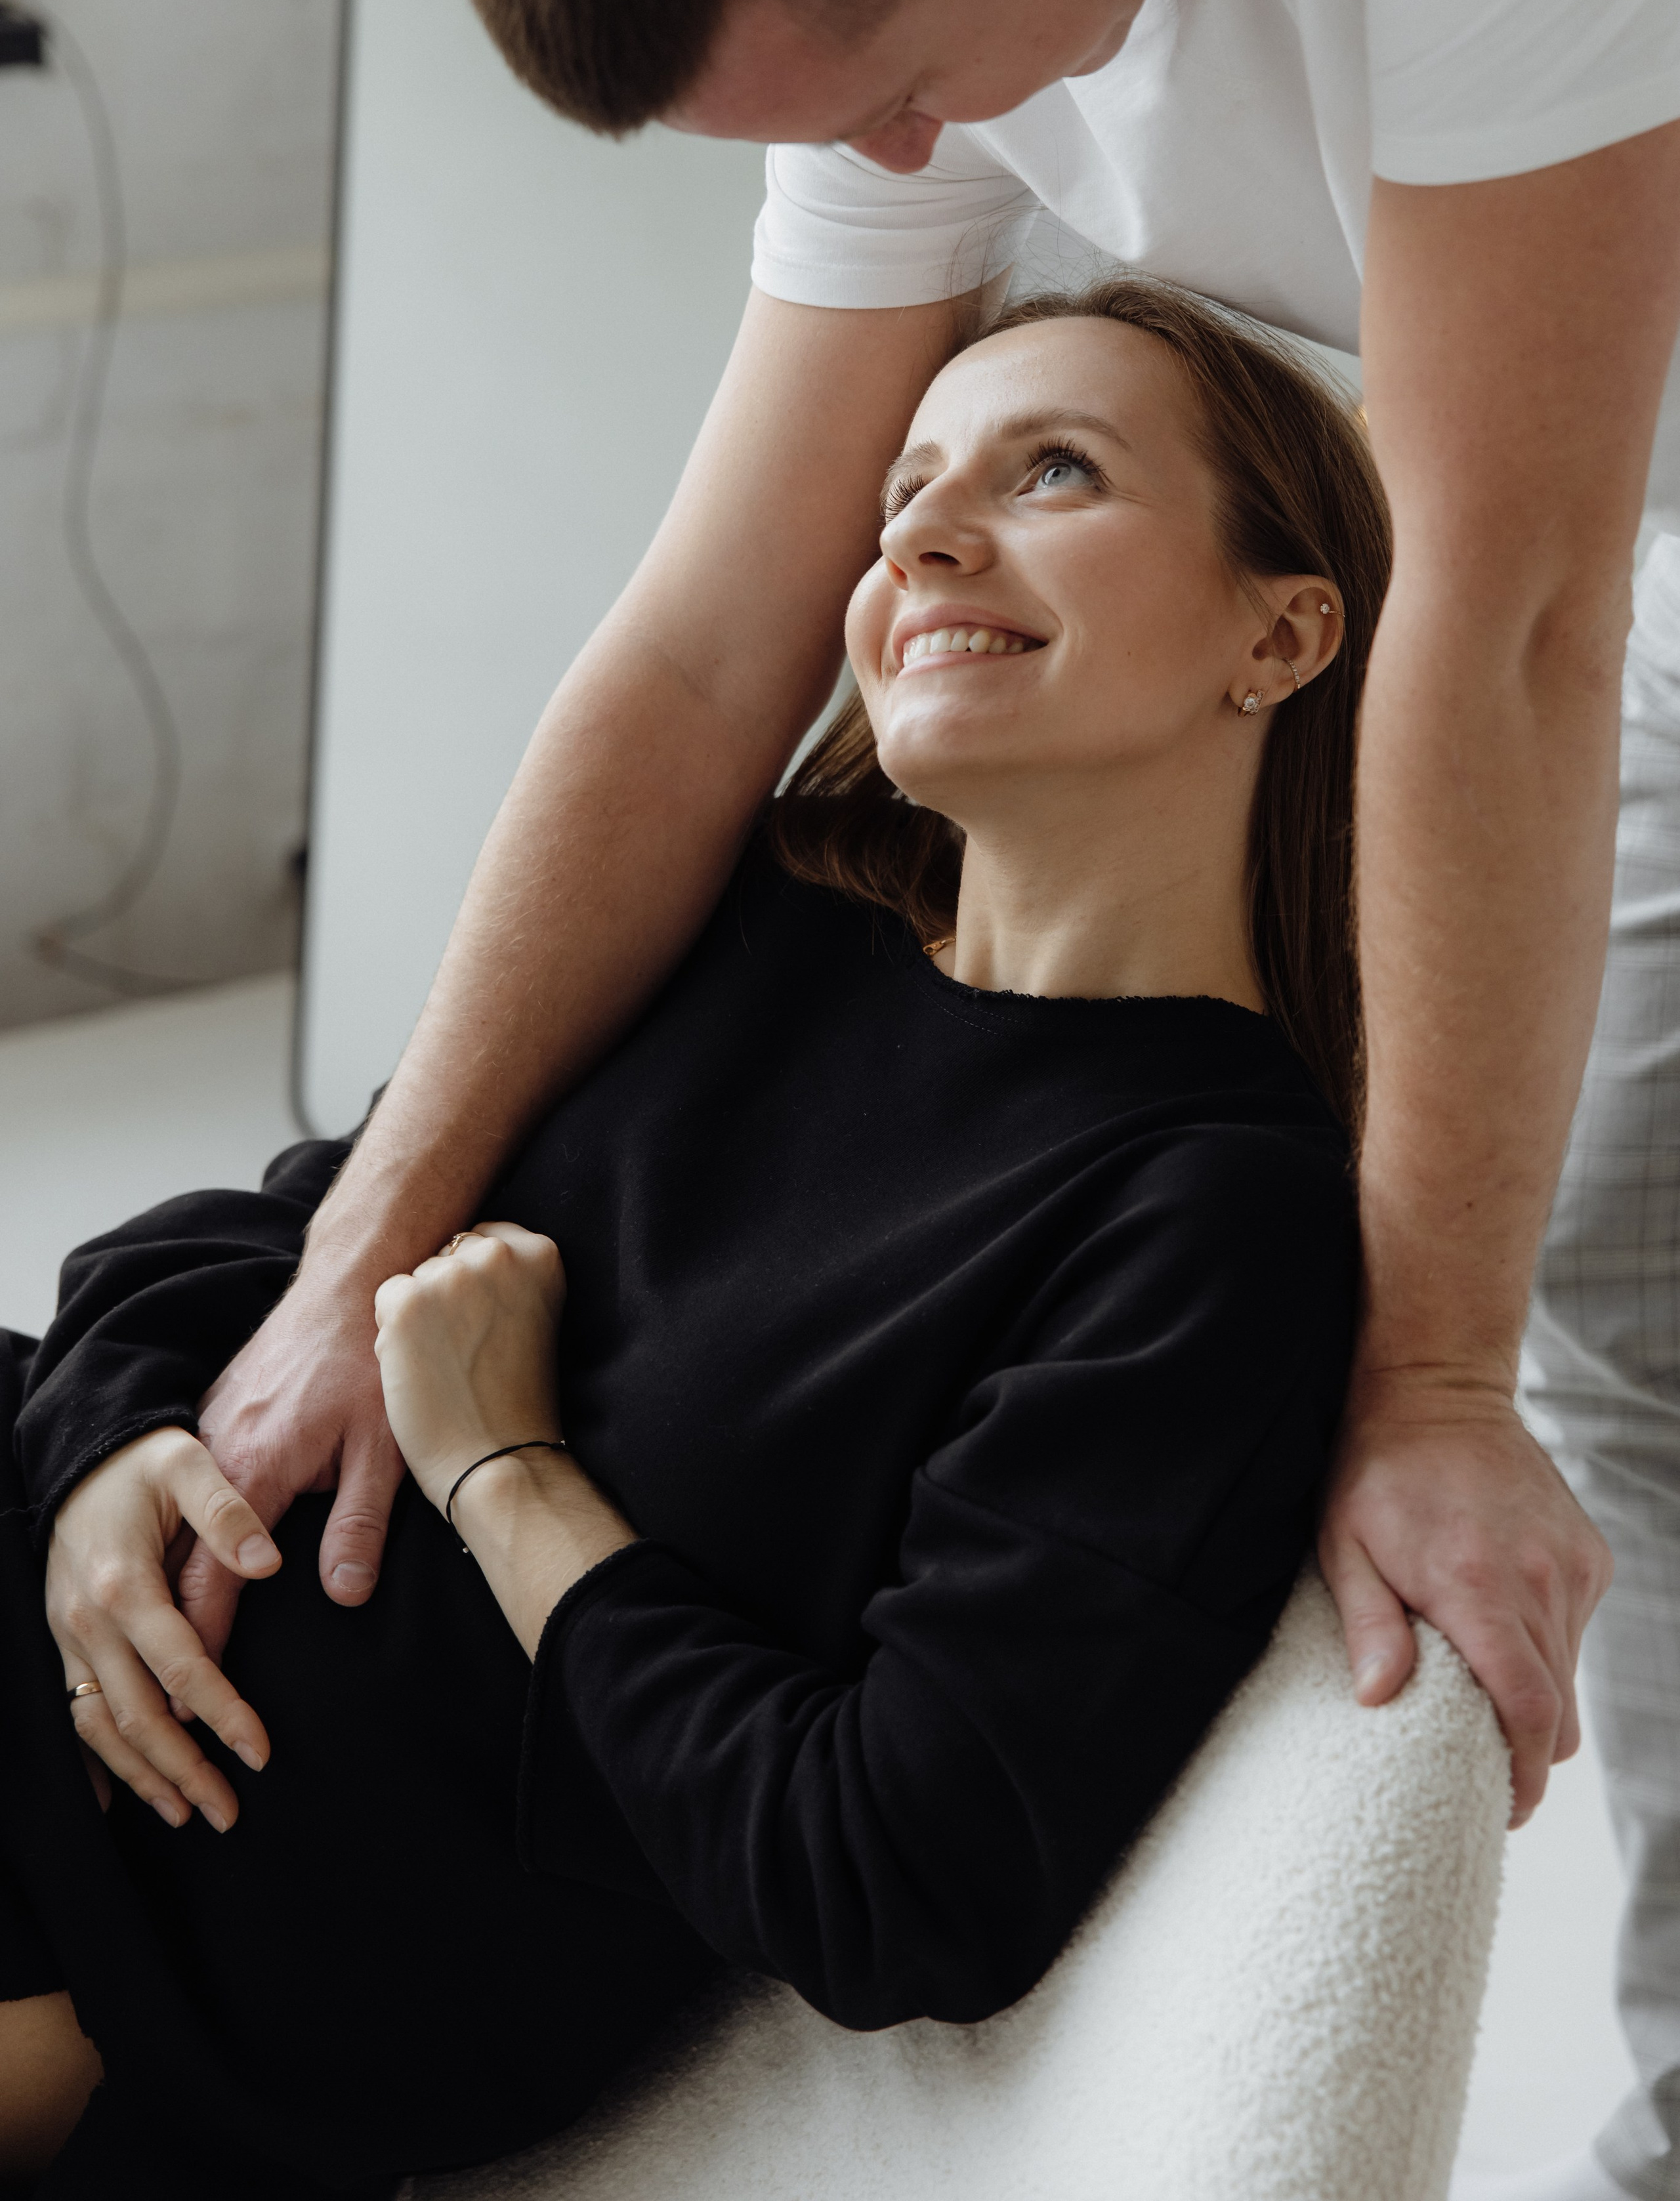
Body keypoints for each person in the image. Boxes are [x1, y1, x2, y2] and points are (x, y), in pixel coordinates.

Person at [68, 0, 1680, 2192]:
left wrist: (1441, 1366)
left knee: (1620, 1341)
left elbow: (1515, 612)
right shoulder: (788, 933)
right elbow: (709, 647)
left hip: (1602, 495)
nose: (917, 172)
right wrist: (294, 1313)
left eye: (896, 95)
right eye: (917, 489)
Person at [0, 284, 1379, 2194]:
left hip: (190, 1940)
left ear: (1284, 628)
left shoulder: (1213, 1214)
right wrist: (91, 1468)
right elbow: (280, 1229)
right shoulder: (763, 906)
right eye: (906, 491)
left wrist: (507, 1467)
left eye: (1053, 470)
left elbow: (894, 1872)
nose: (921, 538)